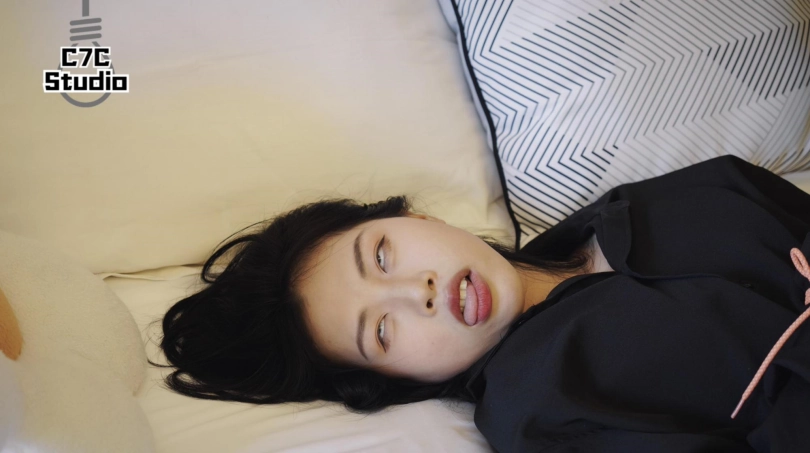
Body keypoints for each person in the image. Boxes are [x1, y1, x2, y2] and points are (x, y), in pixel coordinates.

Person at [151, 154, 810, 452]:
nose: (416, 292)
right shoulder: (540, 412)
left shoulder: (636, 206)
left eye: (381, 255)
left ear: (415, 216)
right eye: (381, 332)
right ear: (396, 380)